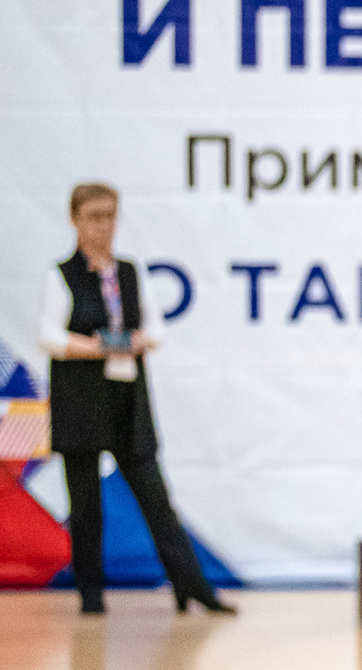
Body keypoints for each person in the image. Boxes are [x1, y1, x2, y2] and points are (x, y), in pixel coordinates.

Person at [37, 183, 232, 617]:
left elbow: (156, 328)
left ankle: (191, 584)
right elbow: (48, 335)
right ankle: (91, 593)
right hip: (82, 402)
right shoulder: (62, 275)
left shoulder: (128, 271)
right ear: (75, 220)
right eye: (94, 216)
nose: (104, 225)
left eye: (110, 215)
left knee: (156, 500)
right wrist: (97, 347)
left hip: (127, 401)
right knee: (85, 507)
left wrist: (138, 341)